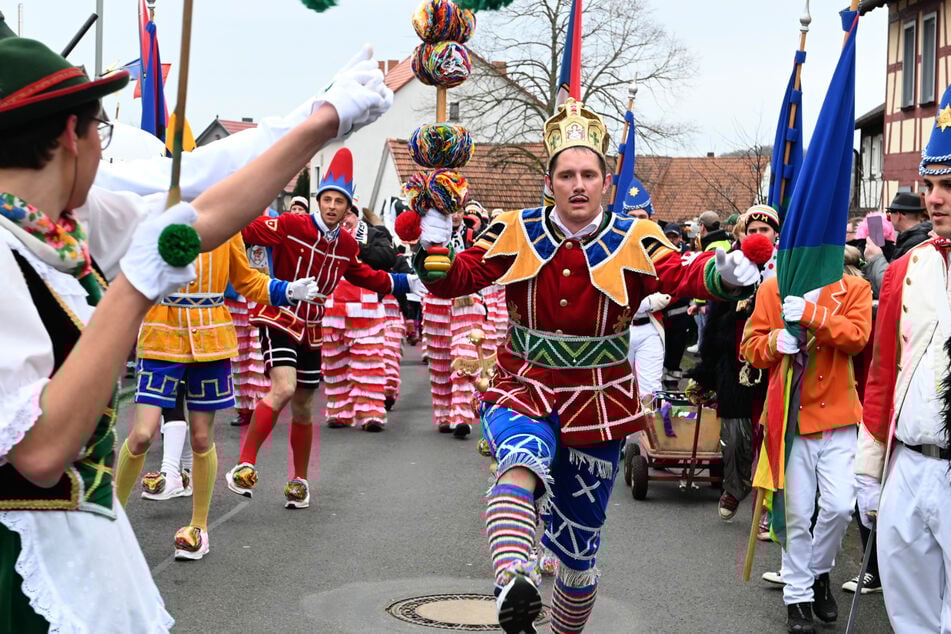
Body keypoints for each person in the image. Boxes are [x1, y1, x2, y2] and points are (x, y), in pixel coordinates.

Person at [0, 36, 391, 631]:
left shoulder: (64, 224)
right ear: (67, 138)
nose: (103, 149)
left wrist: (322, 124)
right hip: (18, 561)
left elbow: (207, 210)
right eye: (98, 131)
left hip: (78, 537)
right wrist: (133, 288)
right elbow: (39, 453)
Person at [414, 98, 759, 633]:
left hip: (599, 399)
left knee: (579, 548)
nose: (578, 184)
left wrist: (725, 273)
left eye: (588, 174)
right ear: (550, 182)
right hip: (523, 381)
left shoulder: (636, 238)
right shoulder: (513, 230)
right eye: (566, 174)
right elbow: (454, 279)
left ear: (605, 182)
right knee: (520, 460)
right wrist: (434, 238)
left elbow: (681, 274)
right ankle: (514, 580)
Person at [226, 148, 419, 506]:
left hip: (313, 327)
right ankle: (245, 463)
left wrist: (408, 284)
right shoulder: (292, 224)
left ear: (349, 207)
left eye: (339, 201)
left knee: (303, 404)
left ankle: (299, 481)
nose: (331, 206)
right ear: (318, 201)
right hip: (280, 316)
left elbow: (368, 276)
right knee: (283, 388)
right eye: (326, 199)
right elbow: (244, 226)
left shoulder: (347, 244)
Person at [114, 230, 319, 559]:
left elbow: (246, 279)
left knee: (200, 438)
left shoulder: (227, 226)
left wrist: (286, 290)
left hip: (210, 341)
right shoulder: (157, 215)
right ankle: (113, 524)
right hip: (160, 337)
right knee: (140, 435)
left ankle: (199, 528)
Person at [857, 83, 951, 633]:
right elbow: (882, 371)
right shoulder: (903, 269)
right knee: (909, 615)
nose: (935, 199)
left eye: (948, 187)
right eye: (931, 186)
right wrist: (871, 469)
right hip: (910, 465)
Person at [742, 242, 872, 633]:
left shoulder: (854, 289)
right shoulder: (772, 288)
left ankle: (818, 572)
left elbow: (857, 338)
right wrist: (771, 343)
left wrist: (814, 315)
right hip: (791, 420)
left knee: (837, 507)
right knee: (797, 513)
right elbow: (751, 347)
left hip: (839, 417)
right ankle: (798, 595)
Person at [690, 204, 778, 521]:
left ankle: (769, 505)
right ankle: (734, 486)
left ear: (775, 234)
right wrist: (704, 374)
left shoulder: (785, 268)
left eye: (764, 230)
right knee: (736, 434)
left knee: (770, 436)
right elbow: (713, 325)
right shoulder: (732, 265)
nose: (757, 236)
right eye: (752, 231)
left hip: (774, 365)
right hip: (735, 363)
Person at [322, 199, 398, 432]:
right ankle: (339, 411)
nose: (345, 218)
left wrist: (356, 244)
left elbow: (388, 258)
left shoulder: (373, 234)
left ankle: (371, 414)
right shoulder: (323, 235)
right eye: (341, 214)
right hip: (332, 310)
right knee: (335, 363)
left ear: (355, 215)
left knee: (369, 363)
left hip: (366, 311)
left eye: (349, 214)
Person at [863, 191, 931, 296]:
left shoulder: (915, 244)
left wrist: (875, 258)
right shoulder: (915, 239)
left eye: (890, 214)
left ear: (898, 215)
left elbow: (893, 288)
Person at [687, 210, 732, 354]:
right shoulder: (724, 242)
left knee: (708, 344)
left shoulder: (712, 247)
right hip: (721, 301)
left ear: (702, 227)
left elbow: (706, 277)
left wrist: (700, 303)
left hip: (709, 302)